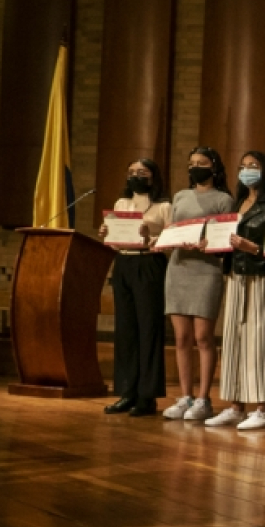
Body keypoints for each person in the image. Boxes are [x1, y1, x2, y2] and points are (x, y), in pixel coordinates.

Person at [203, 152, 265, 430]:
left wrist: (252, 249)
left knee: (260, 338)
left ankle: (262, 408)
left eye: (253, 166)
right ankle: (235, 406)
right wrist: (214, 245)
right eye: (242, 166)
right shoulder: (238, 203)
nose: (246, 171)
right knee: (235, 338)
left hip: (262, 276)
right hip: (236, 276)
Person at [161, 147, 235, 421]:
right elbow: (171, 228)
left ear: (213, 167)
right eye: (191, 163)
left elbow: (226, 239)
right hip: (178, 268)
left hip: (206, 270)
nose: (195, 168)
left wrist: (209, 244)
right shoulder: (181, 196)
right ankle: (185, 396)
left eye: (201, 163)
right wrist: (164, 239)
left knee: (203, 337)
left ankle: (204, 399)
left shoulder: (224, 200)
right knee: (181, 338)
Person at [100, 159, 171, 417]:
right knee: (126, 330)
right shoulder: (121, 204)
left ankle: (146, 396)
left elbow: (170, 240)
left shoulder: (164, 206)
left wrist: (150, 237)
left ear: (153, 176)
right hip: (124, 263)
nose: (136, 176)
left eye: (142, 172)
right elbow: (117, 239)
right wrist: (107, 232)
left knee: (148, 329)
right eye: (131, 172)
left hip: (148, 263)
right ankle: (127, 392)